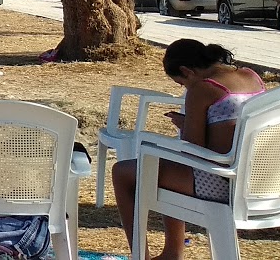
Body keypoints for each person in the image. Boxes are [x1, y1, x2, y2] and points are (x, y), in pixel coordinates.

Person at [112, 39, 268, 260]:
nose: (185, 89)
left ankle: (148, 255)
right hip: (259, 179)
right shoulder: (253, 77)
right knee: (161, 165)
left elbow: (192, 148)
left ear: (186, 71)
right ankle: (171, 252)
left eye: (181, 83)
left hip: (220, 184)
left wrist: (184, 124)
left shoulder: (203, 88)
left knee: (124, 172)